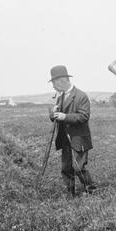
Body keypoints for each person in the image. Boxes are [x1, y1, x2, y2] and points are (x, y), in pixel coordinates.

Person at [48, 65, 97, 196]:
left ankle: (91, 189)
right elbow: (53, 116)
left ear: (62, 81)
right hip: (65, 139)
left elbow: (84, 116)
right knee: (66, 168)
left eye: (54, 83)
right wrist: (53, 113)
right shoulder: (59, 97)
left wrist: (65, 117)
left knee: (78, 167)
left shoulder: (81, 96)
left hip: (78, 138)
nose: (53, 87)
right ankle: (70, 193)